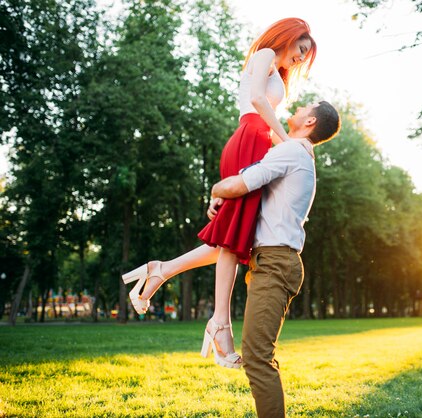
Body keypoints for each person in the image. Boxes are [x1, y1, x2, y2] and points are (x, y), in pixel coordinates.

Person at [121, 18, 317, 369]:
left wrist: (293, 147)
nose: (301, 59)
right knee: (232, 241)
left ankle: (163, 271)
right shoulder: (266, 54)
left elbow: (264, 114)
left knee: (234, 238)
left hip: (258, 144)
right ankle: (218, 323)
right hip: (249, 140)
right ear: (290, 37)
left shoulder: (276, 69)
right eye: (302, 50)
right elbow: (256, 100)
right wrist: (288, 142)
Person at [207, 101, 341, 417]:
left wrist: (215, 189)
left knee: (256, 357)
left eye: (305, 105)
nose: (296, 105)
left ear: (310, 120)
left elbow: (241, 184)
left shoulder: (293, 151)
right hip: (272, 261)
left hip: (275, 262)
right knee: (258, 355)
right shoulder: (299, 152)